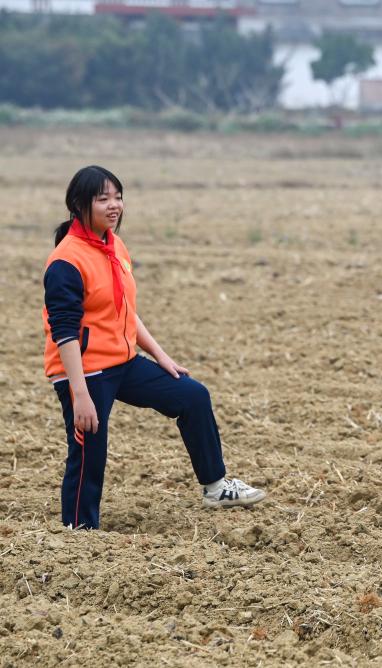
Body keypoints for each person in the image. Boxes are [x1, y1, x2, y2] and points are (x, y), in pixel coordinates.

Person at [43, 165, 265, 530]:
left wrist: (162, 357)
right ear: (79, 204)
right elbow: (63, 332)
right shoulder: (66, 261)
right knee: (89, 450)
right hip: (85, 370)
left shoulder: (112, 244)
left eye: (118, 197)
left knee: (192, 396)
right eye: (103, 199)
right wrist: (79, 393)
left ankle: (215, 486)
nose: (114, 206)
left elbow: (124, 310)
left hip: (123, 360)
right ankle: (78, 530)